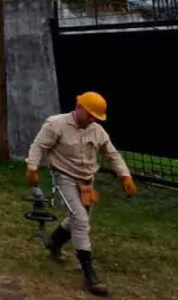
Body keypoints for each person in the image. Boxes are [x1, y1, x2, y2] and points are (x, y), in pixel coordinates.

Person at [25, 91, 136, 297]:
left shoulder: (97, 131)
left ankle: (54, 242)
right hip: (64, 177)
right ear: (79, 108)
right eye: (90, 114)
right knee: (81, 220)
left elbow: (112, 154)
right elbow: (39, 145)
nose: (93, 119)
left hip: (87, 182)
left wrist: (125, 176)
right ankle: (89, 273)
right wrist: (32, 168)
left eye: (96, 116)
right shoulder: (56, 124)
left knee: (77, 220)